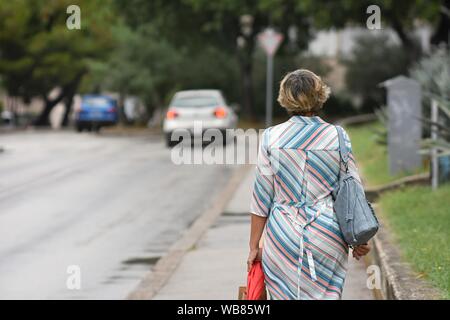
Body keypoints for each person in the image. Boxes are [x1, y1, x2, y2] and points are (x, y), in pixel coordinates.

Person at [248, 69, 370, 300]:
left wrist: (254, 246)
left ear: (285, 97)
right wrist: (360, 238)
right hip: (328, 234)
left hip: (282, 236)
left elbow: (261, 198)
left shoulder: (271, 138)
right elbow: (353, 189)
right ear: (320, 95)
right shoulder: (338, 136)